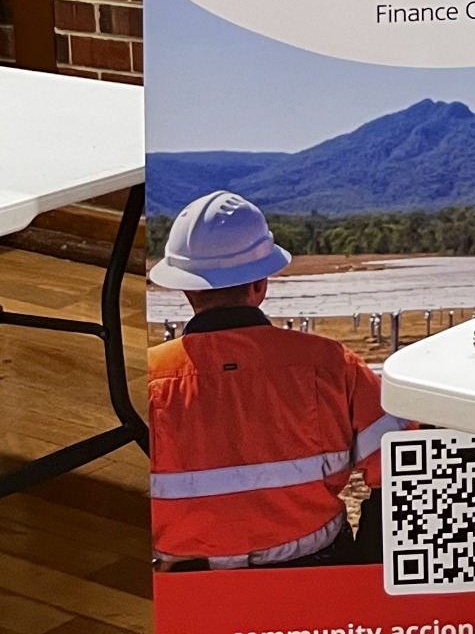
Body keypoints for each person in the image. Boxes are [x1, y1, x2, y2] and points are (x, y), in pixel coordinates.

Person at [146, 191, 398, 570]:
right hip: (317, 572)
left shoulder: (151, 378)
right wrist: (368, 568)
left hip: (185, 582)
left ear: (187, 288)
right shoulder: (333, 365)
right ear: (260, 284)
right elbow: (400, 470)